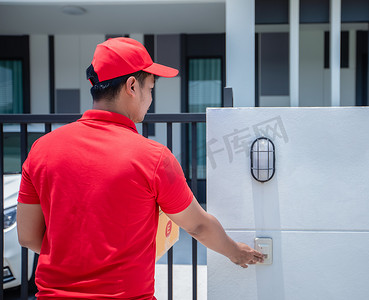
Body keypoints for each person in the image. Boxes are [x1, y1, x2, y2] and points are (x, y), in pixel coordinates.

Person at [17, 37, 263, 299]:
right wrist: (236, 252)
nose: (151, 98)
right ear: (132, 86)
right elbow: (197, 226)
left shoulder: (41, 149)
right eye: (151, 87)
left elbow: (29, 236)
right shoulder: (152, 157)